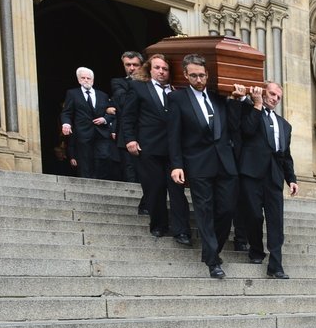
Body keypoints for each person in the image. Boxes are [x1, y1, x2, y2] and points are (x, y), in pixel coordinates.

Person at [167, 54, 244, 279]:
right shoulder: (177, 99)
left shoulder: (218, 97)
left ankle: (213, 250)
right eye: (193, 75)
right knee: (204, 211)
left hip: (225, 163)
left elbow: (233, 126)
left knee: (227, 209)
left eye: (201, 75)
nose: (198, 79)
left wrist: (237, 101)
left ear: (207, 75)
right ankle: (213, 261)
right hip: (198, 163)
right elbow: (174, 135)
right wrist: (176, 165)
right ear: (186, 75)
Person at [120, 54, 189, 243]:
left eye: (165, 69)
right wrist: (130, 140)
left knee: (177, 190)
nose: (161, 72)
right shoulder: (138, 88)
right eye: (157, 68)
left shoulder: (176, 92)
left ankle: (181, 231)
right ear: (150, 69)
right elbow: (127, 116)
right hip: (148, 148)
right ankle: (158, 226)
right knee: (155, 188)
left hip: (173, 150)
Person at [238, 81, 298, 278]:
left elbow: (286, 155)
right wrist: (255, 105)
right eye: (272, 94)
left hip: (274, 176)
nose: (274, 99)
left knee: (276, 221)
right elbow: (246, 131)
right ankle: (256, 250)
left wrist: (291, 179)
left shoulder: (285, 125)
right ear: (263, 91)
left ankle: (276, 265)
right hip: (251, 173)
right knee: (254, 215)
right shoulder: (248, 110)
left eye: (278, 97)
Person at [59, 67, 114, 180]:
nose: (86, 80)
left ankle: (100, 182)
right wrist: (66, 124)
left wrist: (105, 119)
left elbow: (111, 112)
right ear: (79, 80)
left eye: (88, 78)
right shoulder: (73, 93)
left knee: (104, 156)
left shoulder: (102, 95)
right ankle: (87, 184)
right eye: (83, 78)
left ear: (92, 80)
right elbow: (67, 112)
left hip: (101, 132)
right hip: (83, 133)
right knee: (85, 160)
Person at [110, 50, 144, 187]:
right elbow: (123, 102)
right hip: (127, 136)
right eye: (128, 65)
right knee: (130, 172)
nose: (131, 68)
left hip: (147, 133)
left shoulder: (150, 84)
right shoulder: (118, 83)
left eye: (135, 65)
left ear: (141, 65)